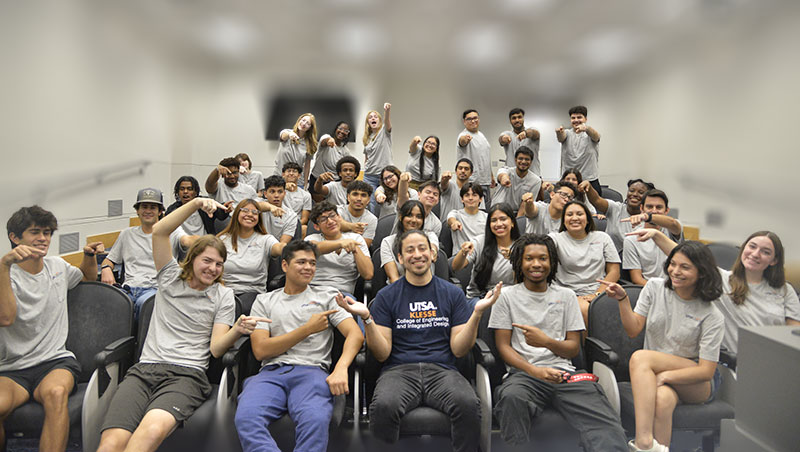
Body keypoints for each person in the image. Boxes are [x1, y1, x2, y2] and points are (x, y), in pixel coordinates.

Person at [96, 197, 265, 452]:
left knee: (148, 434)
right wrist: (196, 203)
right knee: (111, 443)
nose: (213, 269)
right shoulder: (170, 276)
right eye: (207, 261)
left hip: (187, 375)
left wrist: (237, 331)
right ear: (192, 258)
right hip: (144, 371)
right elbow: (161, 230)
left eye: (219, 264)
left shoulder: (223, 296)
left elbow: (217, 349)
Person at [335, 229, 502, 452]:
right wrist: (367, 318)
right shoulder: (387, 296)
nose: (417, 254)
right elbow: (382, 353)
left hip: (443, 370)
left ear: (432, 254)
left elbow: (459, 350)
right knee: (384, 407)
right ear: (401, 259)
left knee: (468, 405)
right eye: (410, 250)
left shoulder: (452, 294)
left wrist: (477, 314)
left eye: (422, 248)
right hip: (399, 370)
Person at [489, 234, 627, 450]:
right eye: (529, 258)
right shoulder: (506, 296)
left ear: (552, 262)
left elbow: (573, 348)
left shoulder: (567, 296)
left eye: (543, 258)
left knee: (605, 423)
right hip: (524, 375)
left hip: (565, 374)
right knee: (511, 399)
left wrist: (546, 342)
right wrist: (535, 371)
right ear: (519, 262)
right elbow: (503, 347)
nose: (536, 264)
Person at [234, 240, 363, 452]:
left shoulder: (327, 296)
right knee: (246, 417)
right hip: (270, 374)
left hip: (311, 372)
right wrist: (306, 330)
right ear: (285, 265)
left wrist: (341, 368)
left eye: (312, 263)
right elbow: (261, 350)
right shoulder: (264, 301)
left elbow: (355, 334)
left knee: (315, 420)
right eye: (301, 262)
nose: (309, 268)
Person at [599, 240, 725, 452]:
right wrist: (622, 300)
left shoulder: (712, 314)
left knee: (641, 357)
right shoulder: (655, 288)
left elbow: (706, 371)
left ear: (701, 273)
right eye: (672, 264)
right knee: (662, 400)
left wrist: (666, 376)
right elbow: (633, 329)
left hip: (696, 380)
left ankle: (643, 442)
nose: (675, 271)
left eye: (685, 267)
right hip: (656, 374)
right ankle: (656, 448)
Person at [0, 206, 103, 452]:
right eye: (35, 232)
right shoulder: (6, 275)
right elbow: (6, 317)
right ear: (15, 238)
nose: (43, 238)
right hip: (13, 368)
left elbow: (87, 278)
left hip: (55, 362)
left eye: (47, 233)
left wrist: (89, 257)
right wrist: (4, 266)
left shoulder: (57, 267)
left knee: (56, 394)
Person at [627, 228, 800, 355]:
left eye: (765, 252)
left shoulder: (785, 290)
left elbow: (794, 336)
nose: (755, 254)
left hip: (776, 358)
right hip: (735, 362)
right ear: (743, 249)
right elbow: (687, 258)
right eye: (752, 246)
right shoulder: (723, 280)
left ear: (774, 260)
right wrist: (656, 235)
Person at [101, 188, 194, 318]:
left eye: (153, 208)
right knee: (107, 304)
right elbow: (109, 260)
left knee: (142, 305)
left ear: (160, 211)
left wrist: (207, 242)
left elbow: (187, 240)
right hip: (129, 289)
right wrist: (106, 269)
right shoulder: (126, 234)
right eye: (144, 207)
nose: (148, 211)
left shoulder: (172, 231)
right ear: (137, 211)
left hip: (156, 291)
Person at [549, 200, 620, 326]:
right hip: (568, 292)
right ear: (564, 220)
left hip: (600, 291)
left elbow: (614, 271)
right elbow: (536, 249)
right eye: (569, 214)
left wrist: (597, 294)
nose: (575, 218)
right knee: (583, 309)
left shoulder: (602, 237)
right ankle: (586, 346)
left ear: (587, 219)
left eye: (580, 214)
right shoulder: (555, 239)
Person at [452, 204, 519, 305]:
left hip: (511, 298)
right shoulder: (479, 242)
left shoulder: (522, 246)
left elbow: (522, 283)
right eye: (494, 220)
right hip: (480, 297)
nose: (499, 224)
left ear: (512, 222)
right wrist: (463, 252)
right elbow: (456, 267)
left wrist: (515, 260)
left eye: (503, 219)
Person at [217, 199, 286, 296]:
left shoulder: (266, 239)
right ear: (237, 213)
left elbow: (279, 247)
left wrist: (288, 248)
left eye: (254, 212)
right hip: (224, 293)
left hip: (252, 293)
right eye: (245, 210)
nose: (250, 214)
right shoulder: (223, 239)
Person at [305, 202, 373, 297]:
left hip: (342, 294)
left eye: (332, 216)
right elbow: (316, 248)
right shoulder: (311, 239)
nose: (330, 221)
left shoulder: (356, 239)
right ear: (317, 226)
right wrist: (340, 244)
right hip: (314, 292)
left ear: (339, 217)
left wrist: (355, 248)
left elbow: (368, 274)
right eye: (324, 219)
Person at [622, 189, 684, 286]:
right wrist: (659, 291)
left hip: (678, 287)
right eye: (649, 207)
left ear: (666, 210)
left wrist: (648, 217)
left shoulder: (671, 228)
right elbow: (636, 279)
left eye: (659, 207)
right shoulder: (631, 239)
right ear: (641, 208)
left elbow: (673, 223)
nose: (654, 211)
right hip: (650, 289)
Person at [579, 178, 655, 252]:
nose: (635, 194)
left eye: (641, 192)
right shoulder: (615, 208)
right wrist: (589, 187)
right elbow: (597, 200)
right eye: (631, 191)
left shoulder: (650, 218)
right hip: (611, 258)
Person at [379, 200, 439, 284]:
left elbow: (433, 250)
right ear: (400, 217)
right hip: (399, 290)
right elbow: (393, 278)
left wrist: (432, 251)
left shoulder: (430, 236)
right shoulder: (388, 242)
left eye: (418, 217)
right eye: (410, 215)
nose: (414, 220)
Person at [556, 105, 601, 195]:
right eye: (573, 118)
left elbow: (596, 136)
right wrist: (559, 132)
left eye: (579, 117)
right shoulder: (567, 133)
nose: (576, 120)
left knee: (594, 207)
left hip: (589, 179)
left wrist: (586, 128)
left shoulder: (590, 134)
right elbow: (561, 138)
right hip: (569, 180)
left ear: (586, 119)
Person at [457, 109, 494, 205]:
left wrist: (491, 175)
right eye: (469, 119)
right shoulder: (463, 135)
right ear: (464, 121)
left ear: (479, 119)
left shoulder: (481, 135)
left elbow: (485, 157)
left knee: (485, 212)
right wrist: (465, 140)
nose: (473, 121)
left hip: (485, 180)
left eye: (475, 118)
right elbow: (462, 142)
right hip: (473, 181)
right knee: (474, 210)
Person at [362, 103, 393, 214]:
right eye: (370, 117)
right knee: (371, 204)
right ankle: (373, 226)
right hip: (369, 175)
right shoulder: (366, 139)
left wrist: (387, 111)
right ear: (368, 123)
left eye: (375, 117)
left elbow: (387, 123)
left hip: (384, 175)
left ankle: (383, 225)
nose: (373, 118)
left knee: (385, 202)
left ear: (380, 120)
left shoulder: (384, 132)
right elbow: (367, 157)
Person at [274, 113, 318, 189]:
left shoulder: (310, 143)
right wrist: (290, 134)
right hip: (280, 177)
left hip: (297, 180)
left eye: (308, 123)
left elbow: (307, 165)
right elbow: (283, 136)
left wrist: (305, 183)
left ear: (310, 128)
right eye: (303, 120)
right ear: (299, 120)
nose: (304, 124)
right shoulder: (287, 132)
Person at [493, 146, 542, 214]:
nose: (523, 161)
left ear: (531, 162)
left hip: (516, 212)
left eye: (527, 159)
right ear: (515, 160)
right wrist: (504, 179)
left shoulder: (536, 181)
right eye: (520, 158)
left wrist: (518, 221)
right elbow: (502, 175)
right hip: (497, 209)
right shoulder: (506, 170)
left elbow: (525, 204)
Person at [311, 121, 352, 202]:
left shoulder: (345, 151)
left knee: (331, 209)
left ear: (348, 134)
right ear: (336, 129)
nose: (342, 132)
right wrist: (329, 140)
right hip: (317, 179)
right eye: (340, 128)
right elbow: (324, 141)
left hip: (334, 183)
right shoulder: (327, 138)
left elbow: (349, 165)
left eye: (346, 131)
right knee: (318, 208)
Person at [445, 182, 488, 256]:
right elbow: (450, 219)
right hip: (461, 257)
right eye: (467, 195)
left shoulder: (487, 217)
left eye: (474, 195)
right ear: (462, 199)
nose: (470, 198)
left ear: (480, 199)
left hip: (481, 257)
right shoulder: (456, 214)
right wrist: (454, 223)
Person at [499, 107, 541, 176]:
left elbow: (534, 133)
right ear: (510, 121)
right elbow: (501, 139)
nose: (517, 120)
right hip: (512, 178)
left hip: (533, 177)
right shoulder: (507, 134)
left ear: (523, 118)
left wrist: (526, 133)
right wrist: (503, 139)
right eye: (514, 118)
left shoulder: (531, 131)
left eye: (519, 117)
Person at [337, 180, 378, 248]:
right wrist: (352, 227)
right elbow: (336, 223)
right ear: (348, 197)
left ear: (368, 200)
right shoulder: (338, 211)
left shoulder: (372, 219)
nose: (359, 198)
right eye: (355, 194)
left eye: (363, 195)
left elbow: (364, 246)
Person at [260, 175, 299, 244]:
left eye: (280, 192)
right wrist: (270, 207)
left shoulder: (291, 216)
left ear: (284, 194)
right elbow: (254, 206)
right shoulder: (259, 204)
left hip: (276, 251)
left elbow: (283, 243)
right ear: (265, 194)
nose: (276, 195)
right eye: (272, 192)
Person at [281, 162, 312, 237]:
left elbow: (304, 219)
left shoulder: (306, 195)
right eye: (288, 171)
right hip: (279, 222)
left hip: (296, 224)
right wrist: (283, 188)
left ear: (299, 176)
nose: (291, 173)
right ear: (283, 174)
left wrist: (292, 225)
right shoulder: (278, 192)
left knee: (304, 228)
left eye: (294, 171)